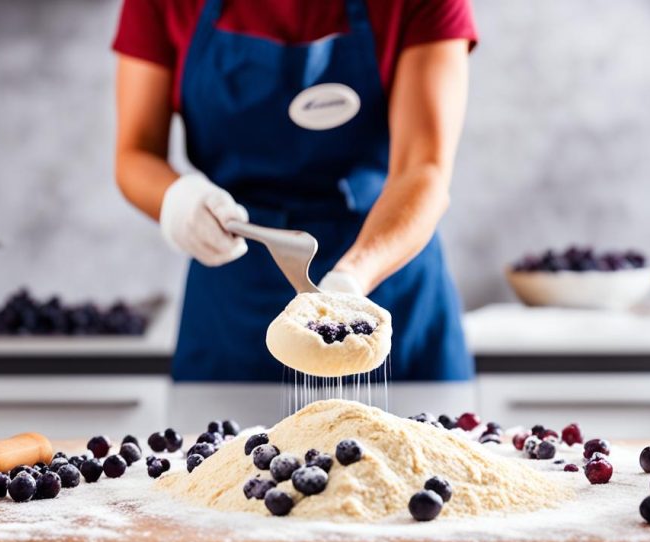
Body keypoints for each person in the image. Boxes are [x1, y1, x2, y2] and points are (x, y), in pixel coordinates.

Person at [113, 0, 477, 381]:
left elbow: (424, 169)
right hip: (234, 296)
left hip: (387, 279)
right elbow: (135, 154)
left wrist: (351, 282)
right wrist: (178, 198)